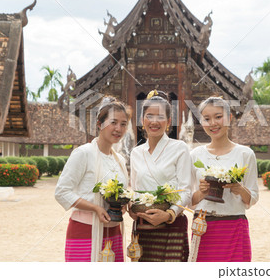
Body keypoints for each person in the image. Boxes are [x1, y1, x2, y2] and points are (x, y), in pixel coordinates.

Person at [55, 97, 129, 262]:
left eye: (123, 124)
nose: (118, 128)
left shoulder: (120, 160)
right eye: (113, 122)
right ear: (99, 124)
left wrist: (122, 205)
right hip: (84, 230)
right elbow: (62, 192)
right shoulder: (83, 153)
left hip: (114, 231)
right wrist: (95, 208)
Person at [190, 96, 259, 262]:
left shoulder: (245, 154)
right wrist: (201, 192)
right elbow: (188, 199)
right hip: (203, 226)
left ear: (229, 118)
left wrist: (239, 189)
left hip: (235, 224)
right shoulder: (194, 155)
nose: (213, 123)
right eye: (207, 119)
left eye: (218, 117)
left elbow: (254, 197)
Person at [129, 90, 192, 262]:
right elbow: (134, 190)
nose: (154, 122)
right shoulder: (136, 153)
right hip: (143, 225)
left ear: (169, 121)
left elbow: (186, 190)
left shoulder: (180, 148)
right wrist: (132, 209)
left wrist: (169, 214)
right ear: (142, 121)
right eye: (149, 116)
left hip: (172, 224)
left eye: (160, 117)